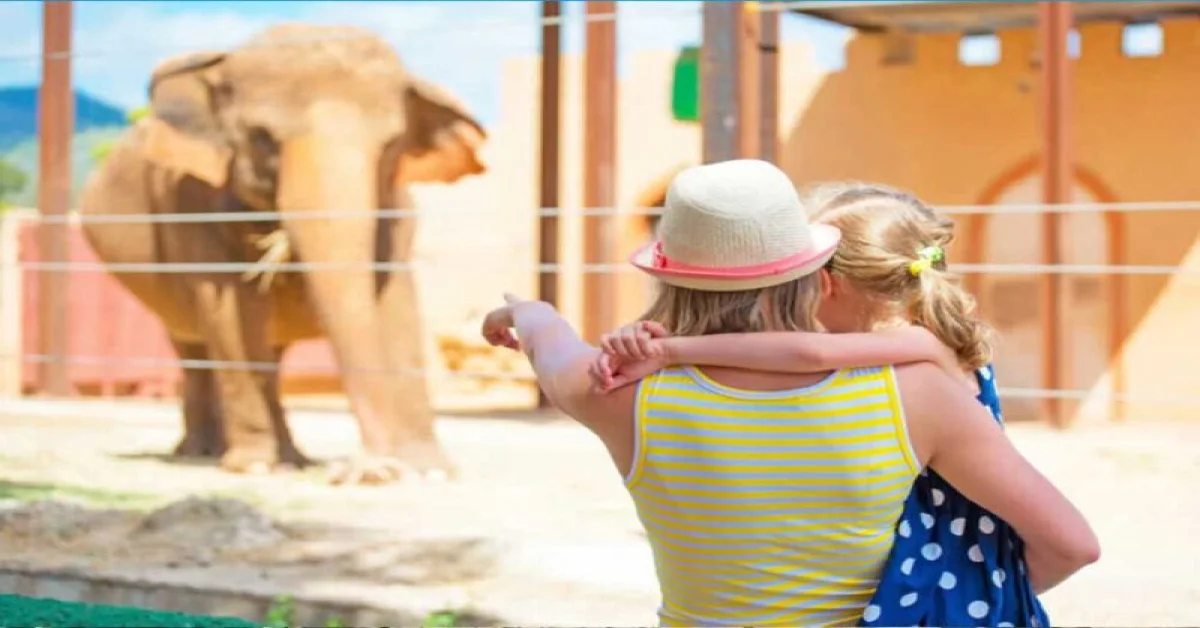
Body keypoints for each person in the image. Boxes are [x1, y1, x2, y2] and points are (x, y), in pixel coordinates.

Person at [481, 160, 1098, 627]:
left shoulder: (618, 390)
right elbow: (1071, 544)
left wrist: (525, 313)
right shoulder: (917, 391)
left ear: (667, 271)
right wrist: (958, 597)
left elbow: (550, 343)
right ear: (814, 275)